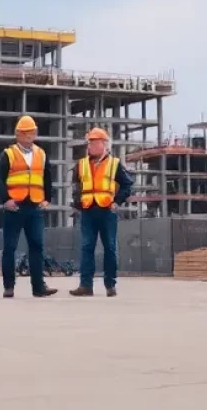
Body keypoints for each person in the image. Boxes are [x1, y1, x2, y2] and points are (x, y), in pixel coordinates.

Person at [0, 115, 57, 299]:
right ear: (18, 134)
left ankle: (38, 287)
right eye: (26, 133)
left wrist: (47, 199)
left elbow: (48, 178)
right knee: (10, 247)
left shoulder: (41, 154)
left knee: (37, 246)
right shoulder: (9, 154)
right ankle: (9, 286)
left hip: (35, 206)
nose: (30, 136)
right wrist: (6, 199)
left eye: (32, 132)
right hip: (15, 207)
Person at [69, 127, 134, 297]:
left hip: (107, 211)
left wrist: (117, 201)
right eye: (89, 143)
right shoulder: (81, 164)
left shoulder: (114, 164)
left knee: (110, 248)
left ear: (104, 144)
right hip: (88, 211)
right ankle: (85, 286)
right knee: (86, 247)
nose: (89, 146)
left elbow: (128, 184)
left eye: (93, 142)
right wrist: (77, 203)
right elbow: (76, 186)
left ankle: (110, 285)